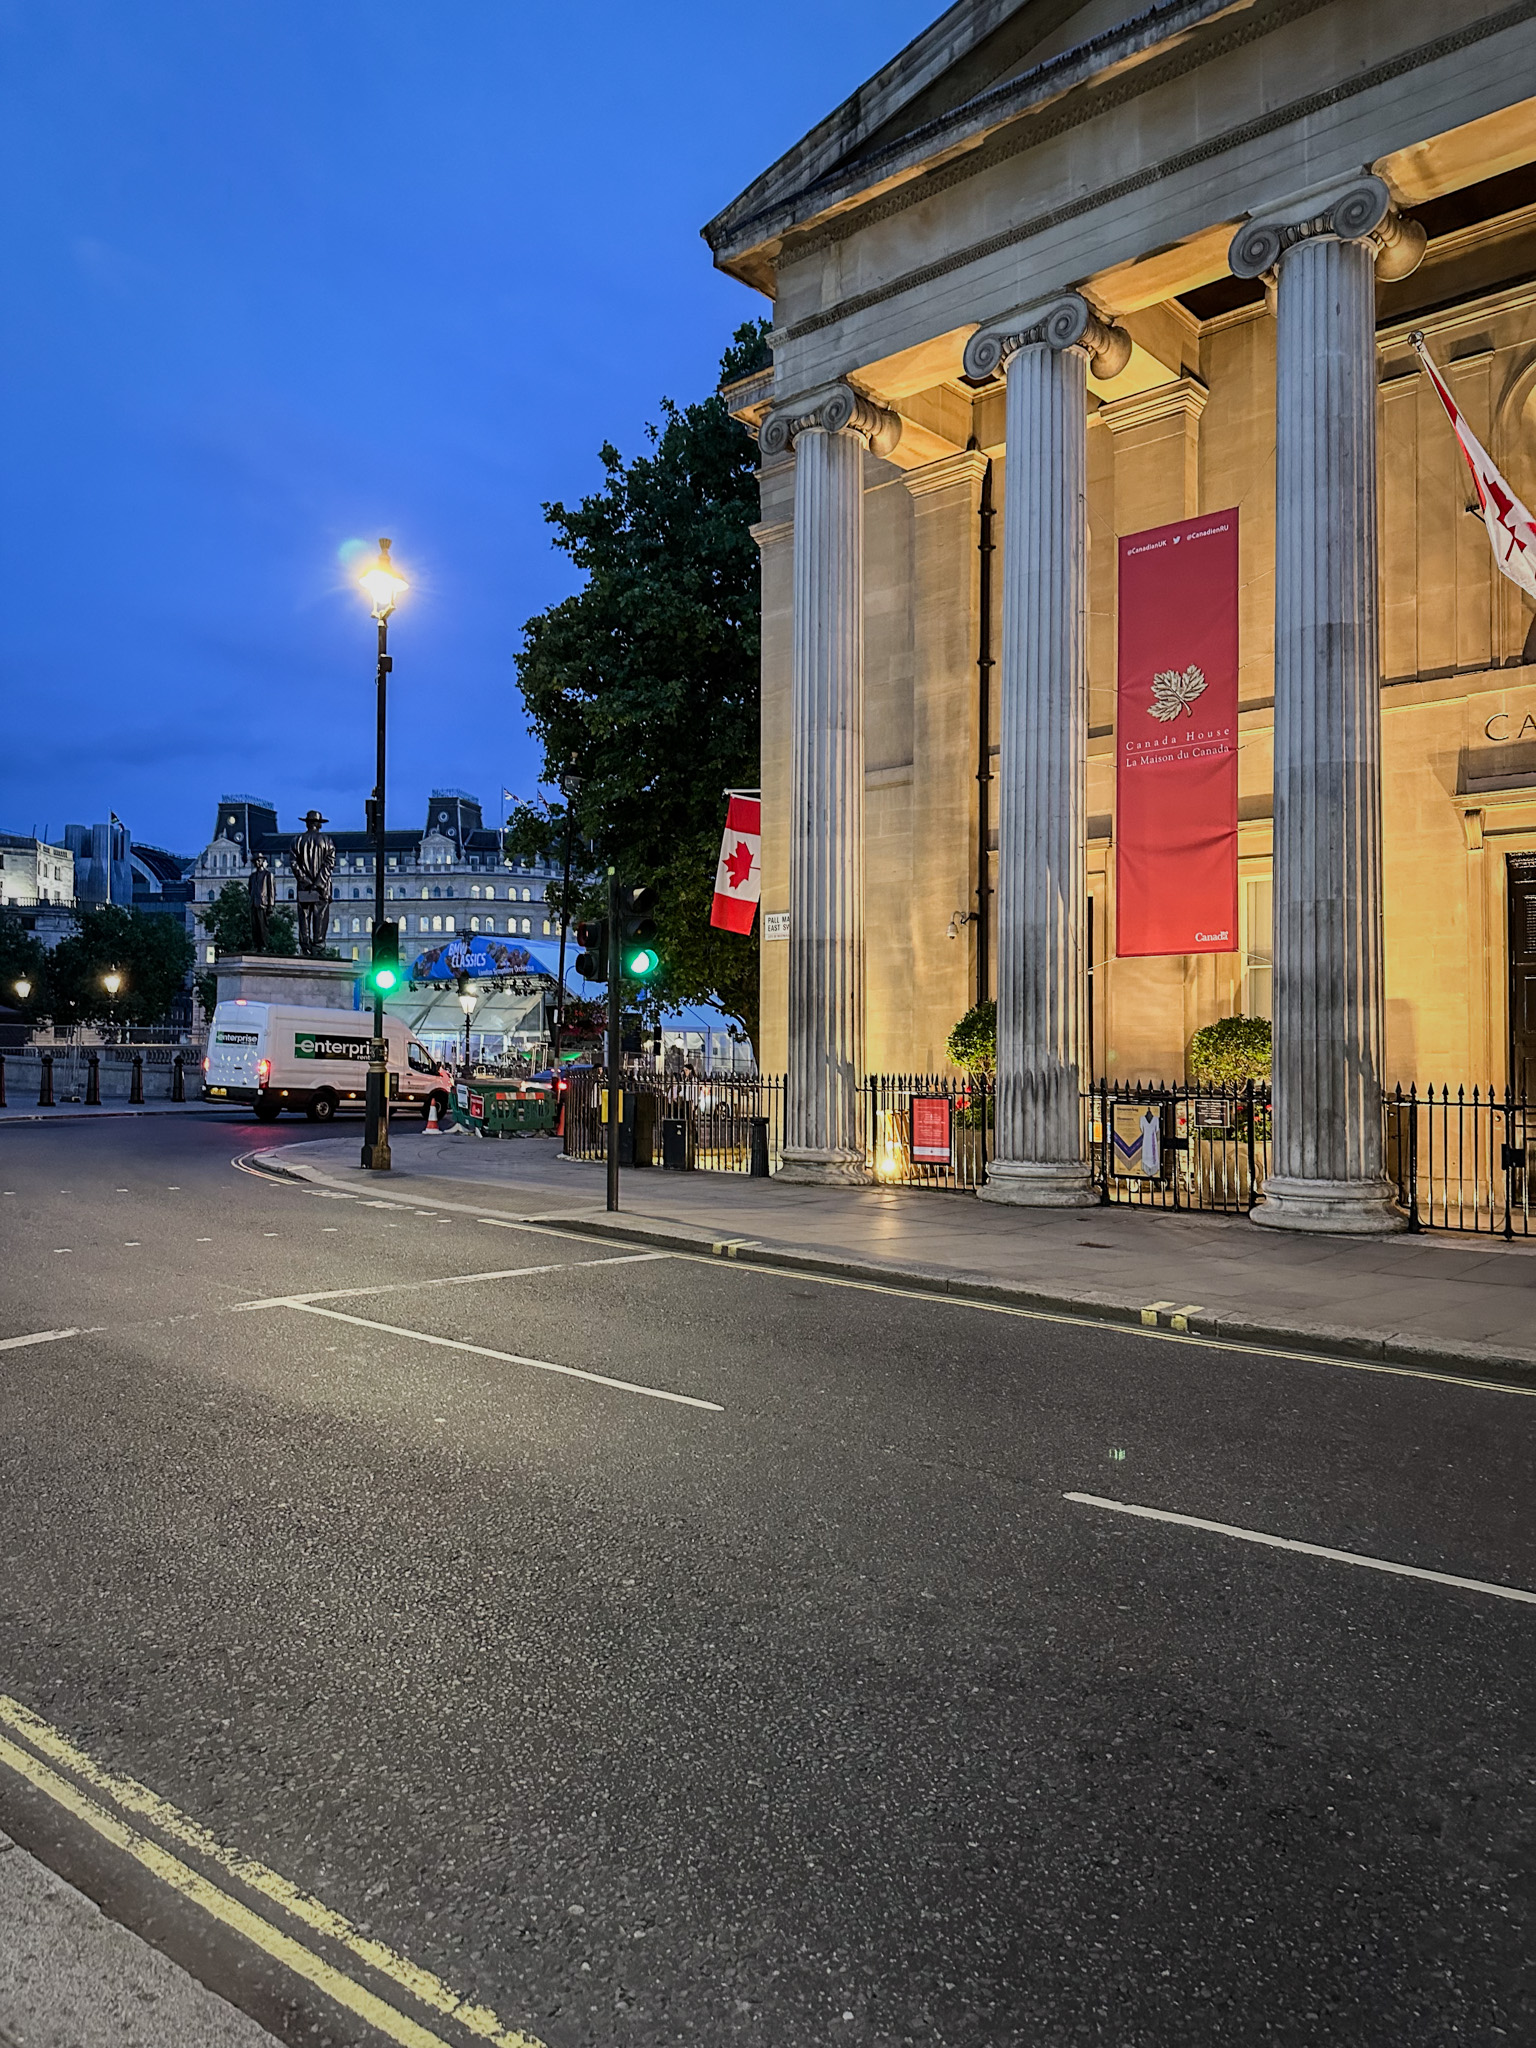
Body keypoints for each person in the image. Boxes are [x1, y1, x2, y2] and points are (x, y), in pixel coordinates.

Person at [290, 811, 336, 956]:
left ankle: (305, 947)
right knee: (320, 916)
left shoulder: (297, 840)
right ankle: (318, 947)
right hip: (322, 888)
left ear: (307, 823)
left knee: (304, 917)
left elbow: (293, 863)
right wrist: (318, 883)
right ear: (319, 824)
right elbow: (329, 863)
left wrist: (306, 881)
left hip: (304, 888)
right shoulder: (327, 841)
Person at [247, 851, 275, 951]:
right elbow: (250, 890)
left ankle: (263, 945)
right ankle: (256, 945)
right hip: (253, 903)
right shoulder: (252, 876)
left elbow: (271, 891)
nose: (257, 862)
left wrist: (270, 906)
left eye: (259, 860)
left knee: (263, 926)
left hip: (263, 904)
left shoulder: (268, 875)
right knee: (254, 926)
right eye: (255, 861)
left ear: (263, 861)